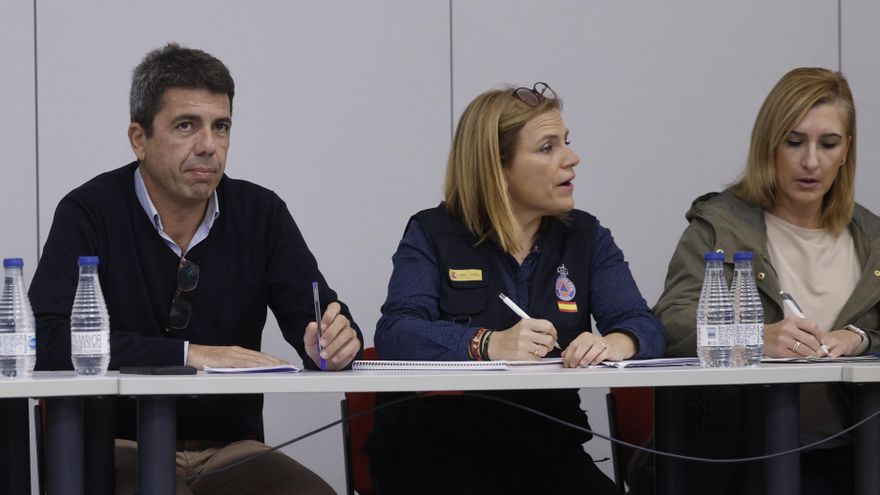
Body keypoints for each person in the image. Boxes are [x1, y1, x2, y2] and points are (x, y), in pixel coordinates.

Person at [29, 43, 362, 495]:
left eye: (220, 126)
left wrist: (333, 343)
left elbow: (321, 318)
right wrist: (189, 355)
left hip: (232, 449)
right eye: (186, 126)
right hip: (119, 445)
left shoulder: (261, 214)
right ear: (138, 138)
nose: (208, 146)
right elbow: (44, 340)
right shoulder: (90, 212)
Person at [364, 82, 666, 494]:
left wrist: (617, 343)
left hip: (546, 447)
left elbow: (643, 324)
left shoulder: (586, 236)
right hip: (438, 447)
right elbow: (397, 332)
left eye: (567, 143)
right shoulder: (431, 233)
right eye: (547, 147)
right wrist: (487, 344)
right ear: (496, 167)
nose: (572, 159)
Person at [651, 67, 879, 495]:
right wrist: (753, 337)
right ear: (768, 144)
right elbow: (670, 324)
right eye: (794, 142)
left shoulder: (872, 240)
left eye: (828, 144)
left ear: (847, 149)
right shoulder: (719, 226)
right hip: (743, 456)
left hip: (858, 450)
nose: (811, 161)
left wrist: (859, 338)